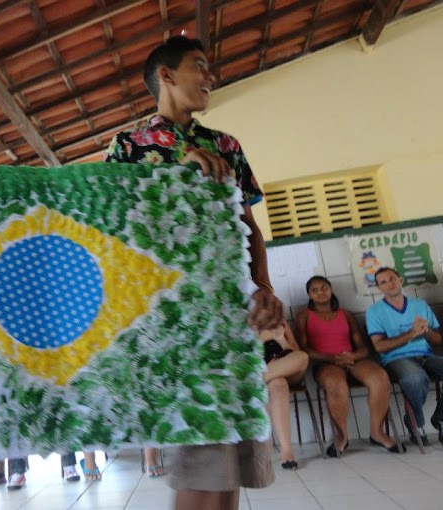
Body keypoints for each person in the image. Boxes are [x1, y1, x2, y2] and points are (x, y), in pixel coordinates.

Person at [105, 36, 282, 510]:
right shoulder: (129, 147)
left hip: (232, 318)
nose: (210, 76)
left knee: (231, 465)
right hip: (174, 322)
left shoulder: (225, 145)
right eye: (199, 66)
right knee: (201, 454)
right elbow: (112, 231)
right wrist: (176, 177)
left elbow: (249, 228)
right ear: (165, 76)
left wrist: (263, 285)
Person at [296, 276, 400, 456]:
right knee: (336, 384)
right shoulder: (304, 316)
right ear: (309, 295)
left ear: (331, 289)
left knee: (380, 377)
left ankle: (377, 432)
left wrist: (352, 356)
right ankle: (341, 437)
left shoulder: (347, 314)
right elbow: (303, 349)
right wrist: (332, 358)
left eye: (324, 287)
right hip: (325, 363)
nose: (321, 292)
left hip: (352, 360)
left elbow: (363, 347)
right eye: (315, 290)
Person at [367, 267, 443, 444]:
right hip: (396, 359)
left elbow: (438, 339)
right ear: (379, 288)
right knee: (415, 378)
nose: (390, 284)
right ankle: (415, 422)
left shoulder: (420, 305)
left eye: (392, 278)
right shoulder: (374, 311)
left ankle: (440, 418)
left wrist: (425, 331)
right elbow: (379, 347)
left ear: (400, 280)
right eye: (383, 282)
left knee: (421, 374)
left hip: (425, 355)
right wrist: (411, 333)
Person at [257, 320, 308, 469]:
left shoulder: (279, 320)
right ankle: (287, 451)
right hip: (265, 371)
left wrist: (280, 339)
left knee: (302, 357)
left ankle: (255, 381)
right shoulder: (240, 319)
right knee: (279, 384)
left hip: (285, 367)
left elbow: (294, 351)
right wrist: (263, 338)